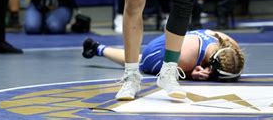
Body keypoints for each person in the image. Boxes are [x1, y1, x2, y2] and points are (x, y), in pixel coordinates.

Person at [82, 29, 245, 82]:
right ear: (211, 63)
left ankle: (96, 48)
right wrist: (189, 75)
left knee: (137, 59)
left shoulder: (231, 45)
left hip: (174, 38)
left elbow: (233, 65)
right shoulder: (187, 59)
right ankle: (98, 48)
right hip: (157, 52)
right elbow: (169, 74)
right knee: (139, 63)